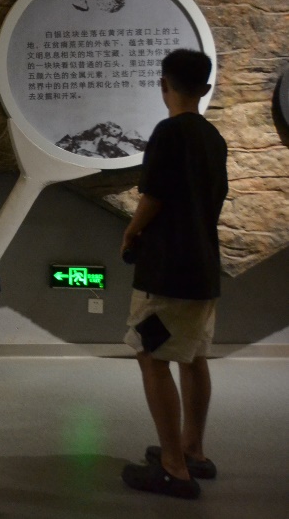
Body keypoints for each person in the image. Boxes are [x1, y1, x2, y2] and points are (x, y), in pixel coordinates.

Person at [119, 49, 228, 500]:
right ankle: (193, 450)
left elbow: (154, 197)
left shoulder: (168, 132)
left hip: (167, 271)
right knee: (194, 355)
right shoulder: (213, 138)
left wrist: (131, 231)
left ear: (163, 84)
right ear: (205, 88)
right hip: (203, 268)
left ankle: (173, 467)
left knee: (152, 355)